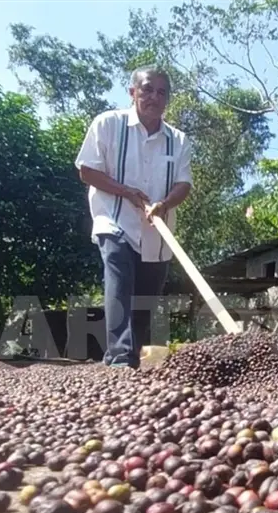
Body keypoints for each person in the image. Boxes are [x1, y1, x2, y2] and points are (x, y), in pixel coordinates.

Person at [74, 67, 193, 368]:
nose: (154, 97)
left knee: (146, 298)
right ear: (133, 92)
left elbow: (184, 184)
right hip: (113, 220)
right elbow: (87, 170)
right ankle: (119, 358)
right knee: (119, 274)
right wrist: (126, 192)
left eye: (161, 92)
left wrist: (164, 204)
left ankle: (131, 357)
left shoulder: (178, 141)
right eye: (147, 89)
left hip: (157, 230)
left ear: (168, 99)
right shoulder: (108, 124)